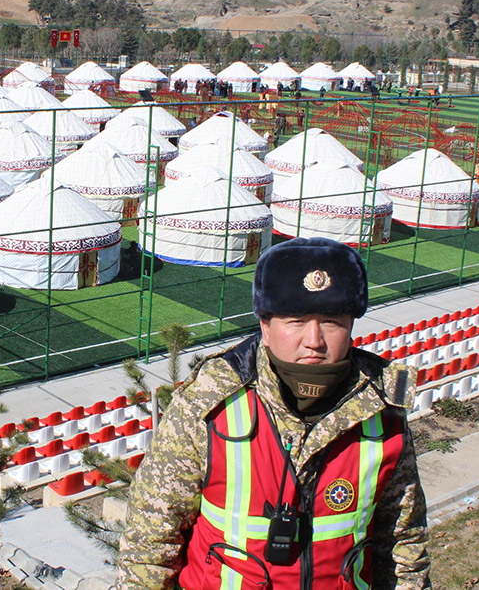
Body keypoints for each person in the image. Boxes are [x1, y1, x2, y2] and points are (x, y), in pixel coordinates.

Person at [119, 238, 431, 590]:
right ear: (266, 327)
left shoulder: (383, 406)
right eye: (296, 321)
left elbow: (403, 541)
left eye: (331, 321)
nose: (314, 340)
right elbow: (150, 539)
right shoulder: (208, 403)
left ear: (351, 325)